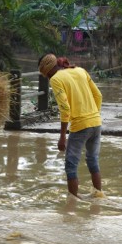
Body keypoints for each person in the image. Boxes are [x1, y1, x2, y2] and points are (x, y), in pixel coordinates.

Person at [38, 53, 104, 198]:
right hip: (96, 123)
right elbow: (98, 95)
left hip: (80, 126)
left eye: (45, 75)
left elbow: (65, 108)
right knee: (93, 160)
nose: (47, 78)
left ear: (48, 71)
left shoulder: (56, 79)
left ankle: (72, 206)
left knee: (71, 165)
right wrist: (93, 115)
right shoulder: (81, 71)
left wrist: (62, 136)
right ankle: (99, 196)